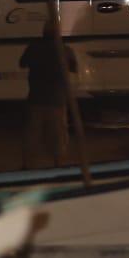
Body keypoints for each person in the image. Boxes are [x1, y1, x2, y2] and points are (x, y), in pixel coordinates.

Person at [19, 23, 76, 168]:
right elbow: (74, 68)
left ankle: (27, 163)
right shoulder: (65, 50)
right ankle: (57, 163)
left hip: (36, 97)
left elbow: (22, 63)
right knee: (57, 134)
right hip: (57, 99)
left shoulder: (34, 47)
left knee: (32, 133)